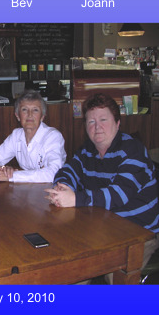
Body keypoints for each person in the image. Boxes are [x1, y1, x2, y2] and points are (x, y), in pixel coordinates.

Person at [46, 93, 159, 282]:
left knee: (113, 277)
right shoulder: (87, 150)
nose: (97, 127)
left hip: (139, 232)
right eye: (91, 122)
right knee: (67, 265)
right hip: (101, 227)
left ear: (117, 123)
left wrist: (75, 199)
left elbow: (119, 194)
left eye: (103, 120)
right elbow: (68, 170)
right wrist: (63, 186)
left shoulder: (133, 150)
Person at [0, 90, 66, 182]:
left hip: (51, 191)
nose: (30, 115)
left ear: (42, 116)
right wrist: (1, 169)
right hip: (25, 190)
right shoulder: (16, 135)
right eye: (24, 110)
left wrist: (13, 176)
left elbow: (53, 173)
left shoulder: (53, 136)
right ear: (18, 116)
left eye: (35, 110)